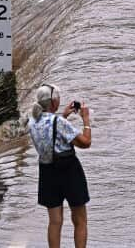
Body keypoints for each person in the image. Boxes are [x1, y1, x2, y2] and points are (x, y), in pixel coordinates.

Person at [28, 84, 92, 248]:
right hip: (69, 171)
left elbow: (49, 129)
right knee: (80, 220)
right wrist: (86, 120)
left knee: (55, 222)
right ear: (54, 103)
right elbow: (86, 143)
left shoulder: (33, 121)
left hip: (47, 172)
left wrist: (63, 115)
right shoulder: (59, 123)